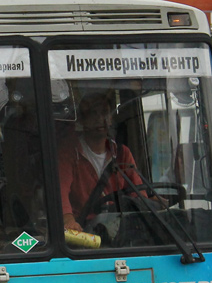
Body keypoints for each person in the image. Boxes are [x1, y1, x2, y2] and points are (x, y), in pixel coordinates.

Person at [58, 92, 149, 233]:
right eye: (93, 114)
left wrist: (148, 206)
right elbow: (61, 192)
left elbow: (138, 192)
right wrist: (69, 220)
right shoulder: (70, 153)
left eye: (105, 113)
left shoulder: (122, 153)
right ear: (81, 120)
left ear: (111, 118)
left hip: (118, 228)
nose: (100, 119)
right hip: (84, 229)